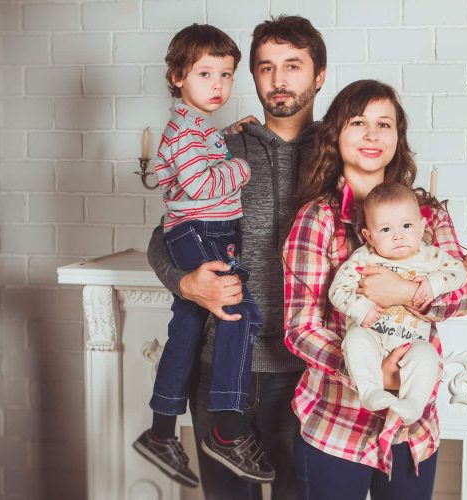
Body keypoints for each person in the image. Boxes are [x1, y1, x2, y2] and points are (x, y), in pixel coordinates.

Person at [147, 15, 328, 499]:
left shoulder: (341, 151)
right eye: (266, 67)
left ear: (320, 75)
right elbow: (163, 235)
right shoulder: (221, 145)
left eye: (293, 65)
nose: (279, 79)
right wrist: (184, 284)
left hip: (304, 370)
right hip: (221, 364)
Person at [283, 79, 467, 499]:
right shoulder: (317, 219)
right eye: (358, 122)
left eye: (385, 124)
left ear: (399, 137)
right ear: (336, 135)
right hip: (337, 423)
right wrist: (371, 372)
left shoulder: (427, 214)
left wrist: (401, 291)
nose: (373, 135)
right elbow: (300, 328)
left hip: (413, 428)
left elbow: (465, 294)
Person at [133, 23, 274, 487]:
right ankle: (228, 430)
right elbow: (201, 183)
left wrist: (230, 134)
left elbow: (203, 154)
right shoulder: (182, 132)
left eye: (226, 75)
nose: (218, 85)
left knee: (189, 328)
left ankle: (160, 431)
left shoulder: (198, 128)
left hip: (204, 230)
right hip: (199, 233)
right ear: (177, 76)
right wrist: (241, 166)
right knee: (239, 315)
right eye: (205, 74)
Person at [328, 182, 467, 424]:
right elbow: (337, 290)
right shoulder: (363, 257)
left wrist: (434, 283)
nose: (398, 235)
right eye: (385, 230)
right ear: (368, 236)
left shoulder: (430, 256)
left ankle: (413, 403)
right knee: (355, 340)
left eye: (406, 225)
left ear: (422, 227)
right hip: (373, 335)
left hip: (410, 342)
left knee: (427, 355)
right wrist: (361, 309)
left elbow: (460, 272)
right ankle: (370, 391)